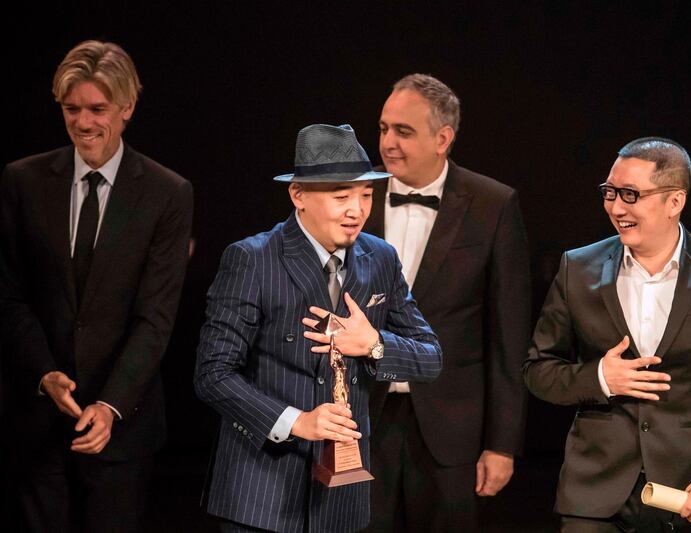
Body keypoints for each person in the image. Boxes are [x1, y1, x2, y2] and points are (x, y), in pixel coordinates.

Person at [194, 123, 442, 532]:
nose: (357, 210)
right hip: (261, 495)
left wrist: (375, 344)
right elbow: (213, 375)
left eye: (365, 195)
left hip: (341, 498)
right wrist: (295, 421)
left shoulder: (380, 259)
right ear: (299, 196)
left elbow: (431, 358)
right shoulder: (252, 259)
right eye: (341, 196)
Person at [523, 137, 691, 531]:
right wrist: (601, 378)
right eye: (610, 192)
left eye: (630, 194)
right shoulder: (577, 267)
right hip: (593, 496)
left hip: (688, 493)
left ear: (675, 202)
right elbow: (538, 370)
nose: (616, 207)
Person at [0, 40, 193, 532]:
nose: (83, 123)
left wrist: (110, 405)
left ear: (127, 107)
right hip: (38, 426)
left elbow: (156, 315)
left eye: (97, 109)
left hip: (123, 431)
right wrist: (44, 372)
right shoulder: (22, 181)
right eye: (72, 109)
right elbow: (10, 293)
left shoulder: (167, 193)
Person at [364, 74, 531, 532]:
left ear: (443, 138)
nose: (388, 143)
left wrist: (501, 444)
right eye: (383, 129)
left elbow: (509, 336)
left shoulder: (493, 204)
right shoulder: (354, 196)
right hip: (360, 421)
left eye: (403, 131)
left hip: (450, 431)